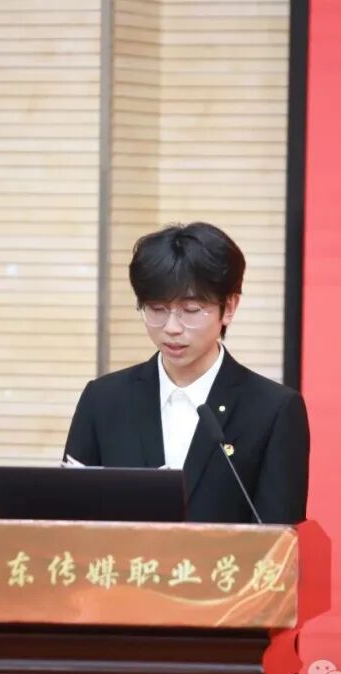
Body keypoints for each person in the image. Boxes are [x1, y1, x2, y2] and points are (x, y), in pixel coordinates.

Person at [63, 221, 310, 525]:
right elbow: (70, 520)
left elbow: (281, 538)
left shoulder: (273, 410)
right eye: (157, 309)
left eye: (190, 310)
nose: (171, 328)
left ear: (229, 307)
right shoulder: (103, 400)